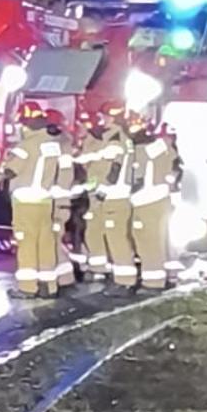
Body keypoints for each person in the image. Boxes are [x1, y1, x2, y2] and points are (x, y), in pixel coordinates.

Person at [0, 102, 69, 299]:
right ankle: (49, 286)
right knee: (45, 243)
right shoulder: (53, 145)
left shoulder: (26, 145)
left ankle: (28, 287)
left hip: (25, 201)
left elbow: (11, 170)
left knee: (26, 243)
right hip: (45, 201)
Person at [75, 104, 129, 282]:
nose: (102, 119)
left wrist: (105, 186)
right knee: (93, 230)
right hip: (96, 193)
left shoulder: (117, 137)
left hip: (108, 194)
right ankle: (98, 268)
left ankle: (120, 276)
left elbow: (115, 165)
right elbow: (92, 168)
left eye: (105, 116)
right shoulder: (101, 136)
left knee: (113, 234)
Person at [128, 113, 181, 292]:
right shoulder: (165, 146)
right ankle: (167, 277)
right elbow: (176, 167)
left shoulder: (140, 150)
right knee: (161, 240)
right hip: (162, 200)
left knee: (146, 242)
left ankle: (152, 282)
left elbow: (136, 178)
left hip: (145, 201)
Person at [44, 108, 79, 291]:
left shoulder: (59, 147)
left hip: (57, 204)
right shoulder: (63, 145)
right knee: (53, 240)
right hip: (58, 203)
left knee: (51, 240)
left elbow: (63, 176)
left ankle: (64, 279)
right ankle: (65, 278)